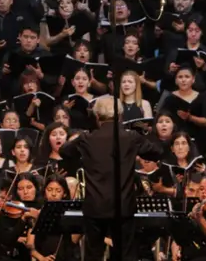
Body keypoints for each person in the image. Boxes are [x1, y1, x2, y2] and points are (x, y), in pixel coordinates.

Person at [59, 95, 163, 260]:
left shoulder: (87, 138)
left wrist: (82, 144)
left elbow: (64, 151)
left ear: (97, 116)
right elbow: (157, 152)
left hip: (95, 207)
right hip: (123, 207)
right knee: (125, 255)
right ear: (120, 116)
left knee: (93, 255)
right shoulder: (131, 137)